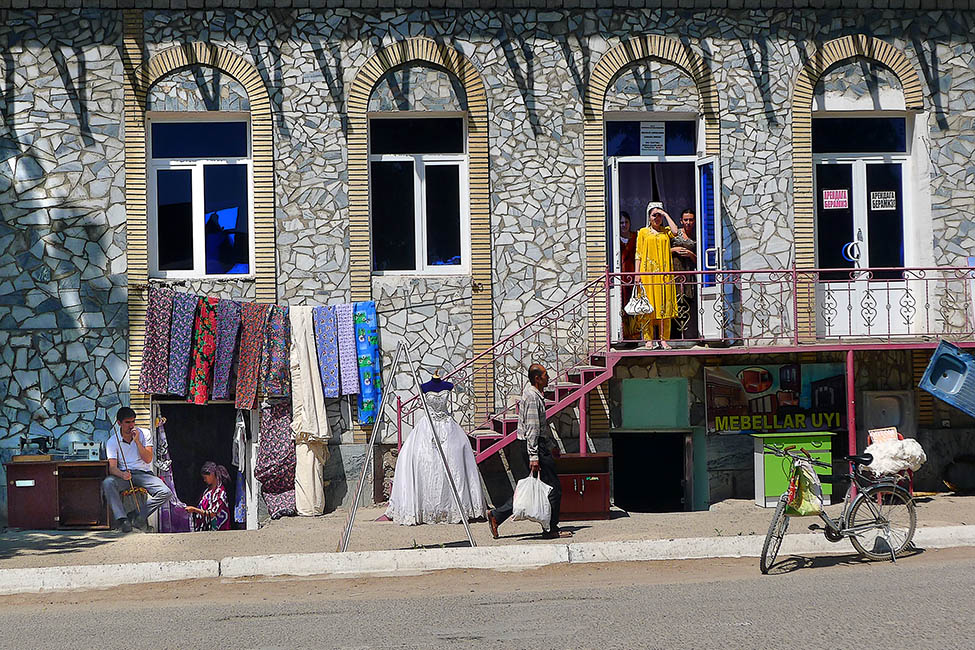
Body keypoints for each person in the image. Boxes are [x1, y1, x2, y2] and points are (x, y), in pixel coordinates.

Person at [385, 375, 486, 525]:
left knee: (455, 463)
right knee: (425, 462)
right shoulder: (424, 387)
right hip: (428, 427)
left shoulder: (449, 386)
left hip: (448, 427)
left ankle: (454, 507)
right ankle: (427, 508)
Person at [487, 364, 571, 540]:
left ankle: (498, 515)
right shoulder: (532, 397)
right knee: (553, 488)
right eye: (546, 375)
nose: (549, 378)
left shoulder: (534, 395)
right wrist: (534, 456)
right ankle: (551, 529)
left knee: (531, 487)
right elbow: (532, 428)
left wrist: (549, 444)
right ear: (537, 379)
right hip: (534, 447)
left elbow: (540, 426)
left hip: (535, 445)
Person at [101, 407, 173, 533]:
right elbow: (112, 468)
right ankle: (122, 519)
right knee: (107, 482)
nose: (131, 425)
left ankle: (137, 514)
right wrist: (122, 474)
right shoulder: (112, 441)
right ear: (119, 423)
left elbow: (148, 459)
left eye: (133, 421)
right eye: (127, 422)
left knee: (166, 492)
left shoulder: (144, 434)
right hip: (125, 474)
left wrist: (138, 442)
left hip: (144, 474)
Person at [634, 204, 680, 350]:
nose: (657, 218)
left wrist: (665, 214)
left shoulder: (665, 232)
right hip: (647, 274)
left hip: (665, 274)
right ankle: (648, 339)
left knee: (664, 306)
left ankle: (663, 339)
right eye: (654, 215)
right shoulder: (642, 232)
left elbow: (676, 231)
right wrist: (637, 274)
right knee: (648, 306)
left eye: (659, 215)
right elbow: (638, 254)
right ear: (648, 217)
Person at [671, 208, 699, 339]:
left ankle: (689, 335)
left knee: (688, 301)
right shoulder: (674, 234)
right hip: (674, 273)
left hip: (688, 273)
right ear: (681, 221)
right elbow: (661, 250)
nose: (688, 222)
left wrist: (690, 254)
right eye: (686, 220)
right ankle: (674, 336)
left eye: (691, 220)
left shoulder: (697, 235)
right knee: (675, 302)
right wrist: (674, 249)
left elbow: (700, 259)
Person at [184, 461, 231, 531]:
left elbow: (212, 513)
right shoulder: (207, 491)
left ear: (212, 475)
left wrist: (194, 510)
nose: (204, 480)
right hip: (207, 530)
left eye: (205, 477)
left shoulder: (220, 493)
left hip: (218, 531)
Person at [619, 211, 639, 342]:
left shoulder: (635, 237)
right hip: (621, 277)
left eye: (626, 222)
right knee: (623, 305)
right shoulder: (615, 238)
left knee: (635, 304)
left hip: (634, 275)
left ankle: (635, 335)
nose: (624, 225)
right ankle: (625, 335)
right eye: (621, 223)